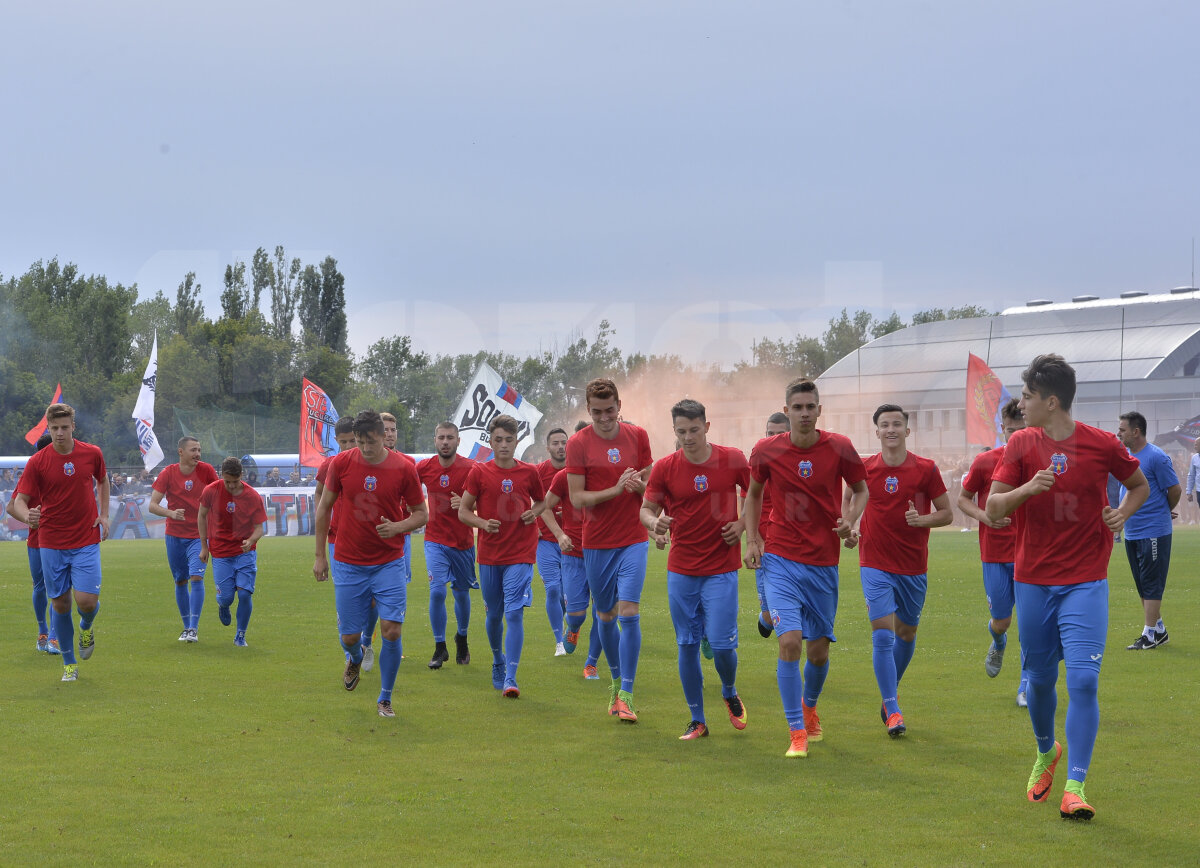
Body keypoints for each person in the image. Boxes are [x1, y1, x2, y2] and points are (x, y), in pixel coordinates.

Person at [987, 353, 1148, 821]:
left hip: (1086, 581)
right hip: (1033, 580)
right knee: (1038, 683)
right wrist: (1026, 491)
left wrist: (1124, 512)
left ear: (1051, 402)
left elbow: (1137, 486)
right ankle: (1045, 750)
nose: (1022, 403)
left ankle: (1075, 786)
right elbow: (995, 509)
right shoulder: (1019, 444)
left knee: (1082, 679)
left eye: (1028, 396)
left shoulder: (1101, 444)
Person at [742, 378, 867, 758]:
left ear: (819, 409)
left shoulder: (840, 447)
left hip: (824, 563)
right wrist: (752, 539)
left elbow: (861, 490)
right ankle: (796, 731)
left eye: (810, 407)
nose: (804, 413)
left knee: (818, 653)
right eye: (797, 407)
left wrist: (850, 521)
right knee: (790, 643)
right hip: (780, 558)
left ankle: (810, 709)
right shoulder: (766, 450)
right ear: (787, 408)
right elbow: (753, 494)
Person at [641, 399, 750, 740]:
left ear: (707, 426)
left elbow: (759, 492)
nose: (688, 437)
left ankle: (729, 690)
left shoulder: (732, 458)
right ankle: (697, 720)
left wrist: (743, 523)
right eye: (681, 431)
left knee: (721, 645)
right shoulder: (665, 467)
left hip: (721, 567)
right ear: (674, 431)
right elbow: (646, 508)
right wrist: (654, 522)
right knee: (686, 643)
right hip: (682, 569)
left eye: (694, 430)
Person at [845, 404, 951, 738]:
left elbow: (946, 513)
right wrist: (849, 525)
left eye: (897, 424)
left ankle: (890, 690)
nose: (890, 430)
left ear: (907, 431)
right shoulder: (865, 469)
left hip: (913, 565)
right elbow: (848, 494)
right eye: (884, 425)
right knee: (883, 633)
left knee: (906, 634)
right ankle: (892, 708)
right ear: (876, 432)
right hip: (874, 561)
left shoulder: (925, 469)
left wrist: (922, 520)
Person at [313, 410, 427, 719]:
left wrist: (399, 527)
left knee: (391, 630)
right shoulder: (341, 463)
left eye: (370, 441)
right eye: (359, 441)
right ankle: (355, 656)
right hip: (349, 562)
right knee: (349, 637)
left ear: (383, 436)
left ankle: (385, 698)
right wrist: (320, 555)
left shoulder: (403, 468)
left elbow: (421, 513)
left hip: (389, 562)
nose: (364, 447)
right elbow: (323, 508)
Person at [566, 378, 654, 722]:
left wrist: (639, 486)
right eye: (598, 412)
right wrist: (615, 490)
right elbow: (577, 498)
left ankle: (627, 694)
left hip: (633, 537)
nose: (604, 417)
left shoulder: (639, 436)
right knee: (605, 615)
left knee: (629, 611)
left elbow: (651, 490)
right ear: (589, 410)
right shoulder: (578, 443)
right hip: (598, 542)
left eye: (610, 410)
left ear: (620, 406)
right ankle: (616, 682)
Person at [8, 403, 110, 682]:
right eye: (55, 428)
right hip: (51, 542)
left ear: (73, 427)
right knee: (61, 604)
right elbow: (18, 501)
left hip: (86, 538)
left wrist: (103, 514)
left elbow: (102, 481)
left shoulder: (92, 453)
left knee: (87, 602)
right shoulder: (39, 461)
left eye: (65, 427)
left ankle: (86, 628)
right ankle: (69, 664)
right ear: (49, 429)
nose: (60, 433)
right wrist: (26, 516)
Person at [458, 415, 547, 697]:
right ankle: (497, 660)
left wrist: (535, 512)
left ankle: (511, 675)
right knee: (494, 614)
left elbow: (542, 500)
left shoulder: (529, 473)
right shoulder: (479, 472)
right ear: (491, 441)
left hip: (521, 552)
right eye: (499, 440)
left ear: (516, 441)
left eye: (509, 440)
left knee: (514, 613)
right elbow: (463, 511)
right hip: (490, 555)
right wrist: (483, 523)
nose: (504, 445)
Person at [957, 398, 1032, 705]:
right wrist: (985, 517)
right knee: (1002, 621)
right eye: (1012, 431)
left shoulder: (1040, 462)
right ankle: (998, 641)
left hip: (1030, 554)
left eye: (1023, 430)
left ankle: (1025, 686)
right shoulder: (986, 462)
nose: (1017, 437)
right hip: (994, 555)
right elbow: (963, 499)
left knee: (1030, 624)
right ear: (1002, 429)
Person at [540, 422, 605, 679]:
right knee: (576, 613)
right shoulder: (563, 476)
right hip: (574, 554)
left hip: (604, 554)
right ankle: (573, 627)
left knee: (604, 611)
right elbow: (545, 508)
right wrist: (560, 534)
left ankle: (591, 663)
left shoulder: (607, 475)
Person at [415, 421, 479, 668]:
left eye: (450, 437)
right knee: (438, 590)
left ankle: (461, 638)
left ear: (458, 441)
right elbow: (404, 485)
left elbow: (487, 499)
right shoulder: (425, 467)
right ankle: (439, 646)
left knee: (461, 593)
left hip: (463, 543)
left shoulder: (472, 468)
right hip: (434, 540)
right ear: (434, 440)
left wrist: (467, 503)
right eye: (440, 437)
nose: (445, 441)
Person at [1116, 411, 1180, 649]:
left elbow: (1175, 489)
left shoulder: (1156, 456)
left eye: (1122, 429)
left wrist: (1164, 509)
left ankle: (1149, 635)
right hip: (1132, 531)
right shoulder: (1127, 456)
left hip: (1154, 530)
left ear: (1136, 431)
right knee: (1143, 584)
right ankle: (1159, 630)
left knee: (1152, 584)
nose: (1118, 433)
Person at [148, 436, 219, 642]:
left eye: (199, 449)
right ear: (181, 452)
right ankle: (186, 625)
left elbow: (219, 495)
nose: (197, 454)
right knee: (180, 580)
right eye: (193, 450)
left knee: (196, 577)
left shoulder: (206, 471)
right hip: (174, 536)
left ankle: (193, 629)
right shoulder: (168, 473)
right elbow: (152, 505)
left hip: (199, 535)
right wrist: (170, 513)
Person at [315, 419, 370, 668]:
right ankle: (351, 653)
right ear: (336, 441)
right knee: (348, 597)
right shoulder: (331, 465)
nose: (349, 445)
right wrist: (322, 514)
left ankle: (366, 639)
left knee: (373, 599)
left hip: (370, 540)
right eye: (344, 441)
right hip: (338, 540)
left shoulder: (370, 462)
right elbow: (319, 492)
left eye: (353, 440)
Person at [197, 457, 266, 647]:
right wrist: (204, 547)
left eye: (235, 482)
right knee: (226, 597)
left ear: (241, 476)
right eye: (227, 481)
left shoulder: (252, 496)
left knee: (244, 594)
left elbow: (260, 528)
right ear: (221, 476)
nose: (231, 485)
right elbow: (201, 516)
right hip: (220, 553)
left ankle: (240, 635)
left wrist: (251, 540)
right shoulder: (211, 491)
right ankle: (223, 605)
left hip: (245, 552)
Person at [6, 433, 59, 654]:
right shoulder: (32, 474)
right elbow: (11, 507)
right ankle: (43, 632)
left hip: (61, 540)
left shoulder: (65, 471)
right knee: (41, 586)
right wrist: (29, 519)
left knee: (58, 589)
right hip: (37, 540)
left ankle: (54, 637)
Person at [754, 412, 790, 639]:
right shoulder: (759, 463)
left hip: (790, 548)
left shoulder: (798, 466)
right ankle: (764, 620)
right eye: (770, 433)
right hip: (764, 549)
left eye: (780, 434)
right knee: (770, 617)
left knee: (788, 616)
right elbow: (748, 500)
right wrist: (753, 539)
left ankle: (787, 662)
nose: (774, 438)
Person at [535, 427, 570, 655]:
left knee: (569, 594)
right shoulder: (538, 472)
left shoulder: (577, 471)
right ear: (548, 448)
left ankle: (569, 625)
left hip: (573, 542)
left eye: (563, 442)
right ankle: (559, 641)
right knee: (553, 589)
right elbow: (524, 497)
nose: (560, 447)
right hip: (545, 541)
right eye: (555, 443)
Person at [1186, 438, 1200, 523]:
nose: (1194, 447)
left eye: (1196, 444)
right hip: (1199, 491)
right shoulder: (1194, 458)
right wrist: (1188, 491)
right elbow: (1191, 475)